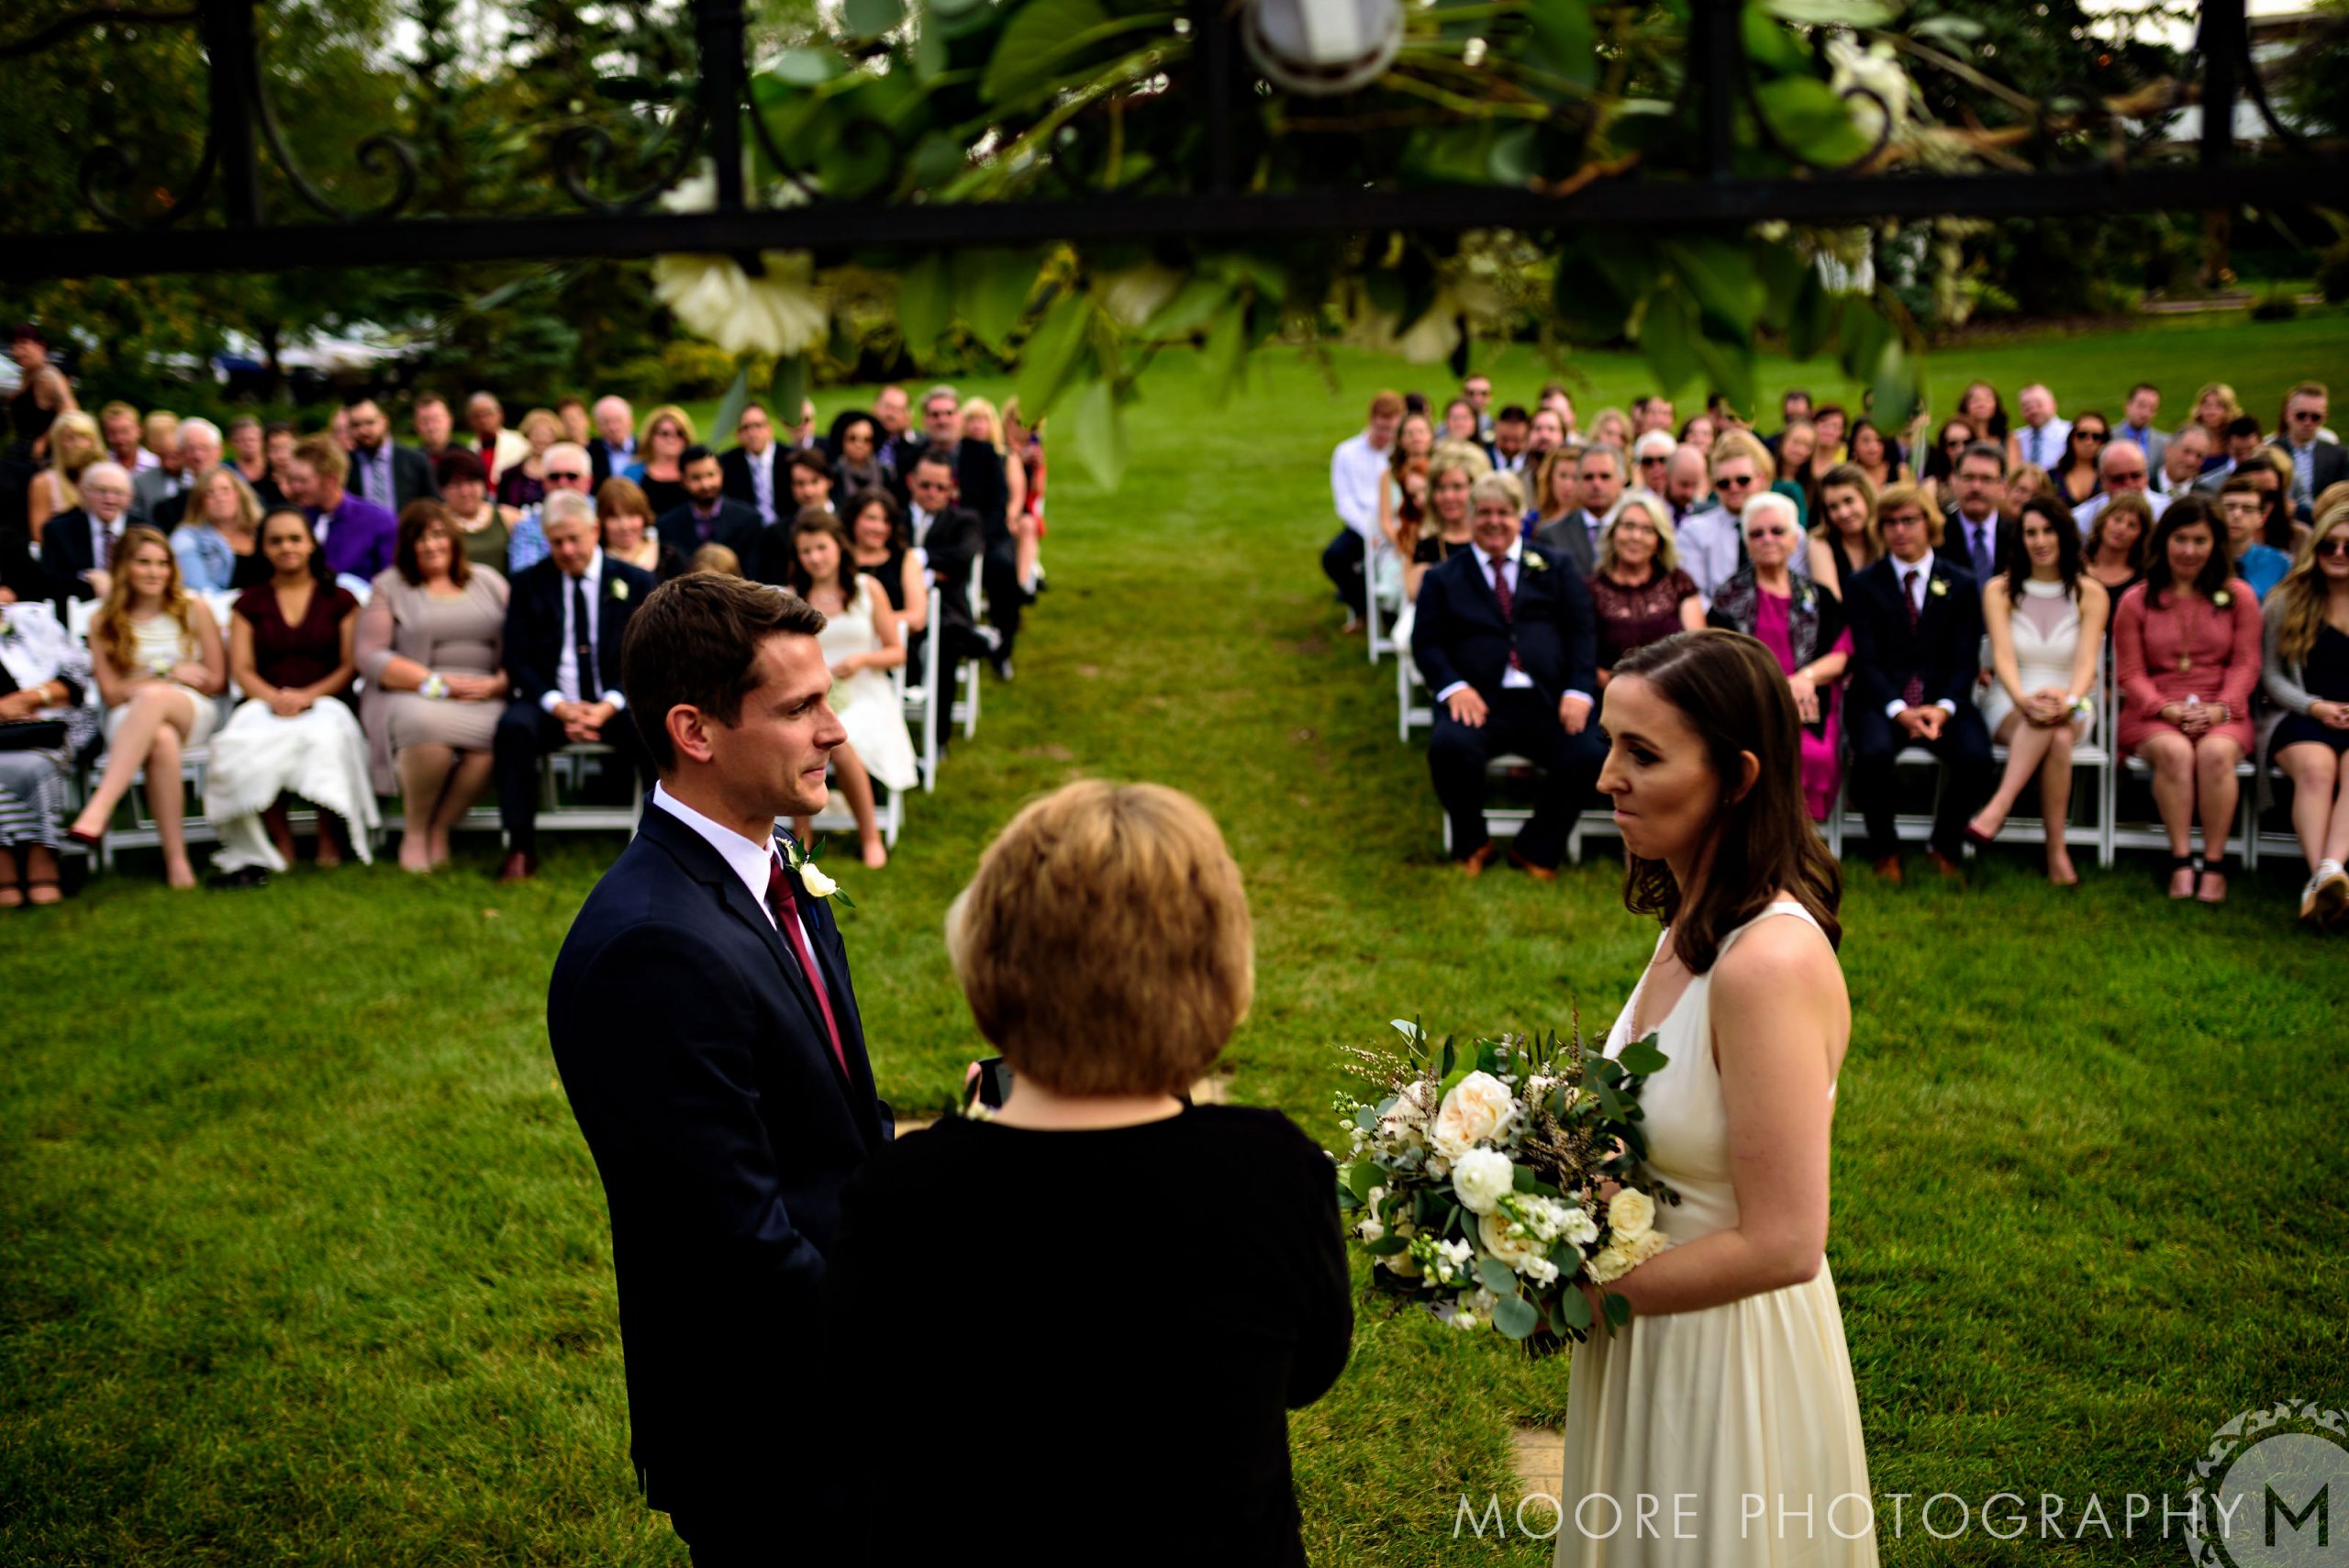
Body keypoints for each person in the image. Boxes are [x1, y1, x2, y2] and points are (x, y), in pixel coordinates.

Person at [826, 779, 1350, 1562]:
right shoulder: (1274, 1169)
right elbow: (1307, 1369)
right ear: (1217, 972)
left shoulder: (901, 1192)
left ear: (989, 957)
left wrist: (976, 1140)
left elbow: (865, 1394)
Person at [546, 570, 885, 1567]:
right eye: (799, 707)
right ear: (694, 730)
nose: (834, 730)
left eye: (826, 698)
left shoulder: (770, 860)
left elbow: (823, 1132)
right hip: (771, 1426)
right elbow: (734, 1243)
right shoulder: (651, 946)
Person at [1559, 628, 1872, 1568]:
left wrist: (1577, 1292)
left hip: (1726, 1363)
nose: (1606, 776)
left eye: (1642, 754)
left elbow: (1783, 1241)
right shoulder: (1689, 920)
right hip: (1650, 1339)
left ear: (1736, 776)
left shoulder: (1765, 961)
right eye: (1611, 741)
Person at [1412, 472, 1604, 881]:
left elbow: (1582, 633)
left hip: (1549, 699)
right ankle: (1472, 841)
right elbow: (1426, 644)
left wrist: (1578, 691)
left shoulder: (1556, 566)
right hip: (1480, 700)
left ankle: (1537, 847)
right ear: (1470, 516)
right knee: (1448, 749)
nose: (1494, 522)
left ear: (1520, 516)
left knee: (1589, 754)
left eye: (1503, 512)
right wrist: (1454, 687)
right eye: (1484, 513)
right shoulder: (1443, 578)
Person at [491, 492, 657, 881]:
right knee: (513, 730)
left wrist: (609, 704)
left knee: (655, 731)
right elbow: (517, 659)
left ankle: (659, 842)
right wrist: (557, 705)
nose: (566, 550)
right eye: (556, 541)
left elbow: (647, 655)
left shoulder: (634, 581)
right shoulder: (529, 584)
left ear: (595, 531)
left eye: (574, 539)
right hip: (551, 703)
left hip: (618, 701)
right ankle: (520, 846)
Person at [204, 508, 374, 885]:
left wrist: (308, 696)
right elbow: (242, 668)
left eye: (295, 538)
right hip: (265, 701)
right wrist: (273, 699)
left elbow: (350, 665)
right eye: (276, 541)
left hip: (328, 699)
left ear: (311, 544)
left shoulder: (341, 599)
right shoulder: (249, 604)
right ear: (263, 549)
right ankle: (280, 840)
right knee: (248, 743)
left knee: (322, 738)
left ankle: (329, 835)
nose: (287, 547)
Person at [2112, 496, 2264, 902]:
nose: (2189, 550)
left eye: (2200, 540)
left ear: (2216, 543)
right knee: (2176, 753)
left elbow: (2247, 664)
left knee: (2216, 755)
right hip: (2153, 711)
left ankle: (2213, 863)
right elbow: (2130, 673)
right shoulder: (2136, 600)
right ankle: (2180, 859)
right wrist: (2166, 708)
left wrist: (2220, 708)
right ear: (2163, 541)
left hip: (2223, 708)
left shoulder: (2240, 597)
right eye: (2180, 539)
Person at [1843, 483, 1993, 883]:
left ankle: (1944, 844)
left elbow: (1965, 658)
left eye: (1909, 520)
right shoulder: (1863, 584)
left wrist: (1943, 707)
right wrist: (1898, 711)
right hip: (1881, 698)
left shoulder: (1959, 583)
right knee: (1871, 753)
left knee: (1977, 756)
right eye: (1889, 522)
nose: (1899, 530)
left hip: (1943, 698)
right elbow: (1867, 658)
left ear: (1929, 523)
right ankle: (1884, 849)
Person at [61, 527, 227, 888]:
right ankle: (177, 861)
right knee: (161, 738)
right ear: (123, 568)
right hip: (130, 717)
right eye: (143, 563)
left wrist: (159, 683)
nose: (155, 572)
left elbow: (215, 681)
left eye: (162, 563)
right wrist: (164, 671)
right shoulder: (104, 619)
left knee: (154, 698)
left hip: (190, 709)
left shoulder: (192, 607)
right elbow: (112, 694)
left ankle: (99, 808)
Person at [1962, 495, 2110, 884]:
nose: (2040, 540)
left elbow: (2085, 664)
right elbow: (2004, 660)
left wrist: (2071, 699)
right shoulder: (1999, 590)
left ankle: (1998, 807)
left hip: (2072, 696)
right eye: (2030, 532)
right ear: (2019, 539)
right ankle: (2056, 852)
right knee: (2054, 737)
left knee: (2059, 731)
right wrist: (2023, 698)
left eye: (2048, 531)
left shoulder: (2091, 593)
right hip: (2010, 697)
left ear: (2064, 535)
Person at [358, 503, 511, 873]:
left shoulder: (488, 581)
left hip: (484, 693)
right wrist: (435, 684)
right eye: (420, 538)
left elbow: (522, 644)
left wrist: (498, 683)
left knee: (501, 738)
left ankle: (440, 827)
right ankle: (415, 831)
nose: (430, 545)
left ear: (453, 539)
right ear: (406, 546)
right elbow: (370, 655)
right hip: (414, 692)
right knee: (426, 729)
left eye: (438, 535)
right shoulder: (388, 586)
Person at [783, 508, 916, 869]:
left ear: (839, 547)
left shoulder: (867, 590)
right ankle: (801, 835)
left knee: (838, 742)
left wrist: (860, 661)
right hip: (813, 695)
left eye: (821, 548)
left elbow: (897, 651)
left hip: (865, 691)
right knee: (798, 739)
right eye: (806, 551)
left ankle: (869, 835)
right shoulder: (793, 598)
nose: (815, 558)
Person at [1709, 493, 1851, 821]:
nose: (1767, 540)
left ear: (1794, 539)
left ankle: (1801, 837)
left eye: (1777, 531)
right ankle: (1756, 830)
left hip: (1807, 704)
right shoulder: (1729, 599)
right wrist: (1776, 687)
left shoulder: (1818, 596)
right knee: (1746, 754)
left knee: (1812, 754)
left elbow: (1842, 653)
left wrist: (1805, 678)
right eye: (1757, 534)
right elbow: (1720, 659)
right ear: (1747, 542)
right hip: (1750, 702)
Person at [2263, 506, 2349, 922]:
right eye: (2330, 545)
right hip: (2299, 715)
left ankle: (2324, 879)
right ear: (2315, 548)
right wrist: (2314, 706)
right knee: (2317, 769)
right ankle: (2326, 877)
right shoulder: (2285, 601)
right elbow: (2270, 676)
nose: (2338, 553)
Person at [0, 597, 96, 907]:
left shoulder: (31, 618)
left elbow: (77, 675)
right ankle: (4, 867)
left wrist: (33, 697)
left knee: (35, 764)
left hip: (47, 727)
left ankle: (43, 858)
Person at [1587, 490, 1704, 682]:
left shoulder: (1678, 583)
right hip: (1612, 697)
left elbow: (1697, 650)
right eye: (1628, 526)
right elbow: (1583, 661)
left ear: (1659, 540)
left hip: (1672, 693)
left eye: (1648, 530)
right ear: (1613, 531)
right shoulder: (1592, 590)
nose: (1636, 536)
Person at [1323, 391, 1405, 630]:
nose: (1385, 436)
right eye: (1381, 428)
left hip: (1399, 525)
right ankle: (1363, 610)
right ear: (1371, 420)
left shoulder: (1401, 455)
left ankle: (1393, 610)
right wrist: (1370, 533)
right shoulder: (1346, 453)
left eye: (1391, 429)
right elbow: (1345, 502)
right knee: (1334, 557)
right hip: (1363, 526)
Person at [280, 436, 398, 584]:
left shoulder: (379, 521)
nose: (295, 487)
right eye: (292, 479)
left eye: (303, 481)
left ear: (331, 481)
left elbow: (392, 581)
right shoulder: (292, 521)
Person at [1682, 433, 1772, 606]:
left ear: (1761, 478)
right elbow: (1694, 596)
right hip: (1715, 627)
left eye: (1743, 480)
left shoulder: (1786, 530)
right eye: (1724, 483)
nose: (1734, 488)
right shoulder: (1694, 531)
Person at [40, 458, 138, 613]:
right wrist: (88, 580)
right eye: (102, 491)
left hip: (134, 611)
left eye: (118, 493)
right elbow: (50, 582)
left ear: (130, 497)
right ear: (84, 492)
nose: (110, 499)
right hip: (76, 614)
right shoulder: (59, 530)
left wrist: (114, 585)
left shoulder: (145, 530)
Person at [500, 439, 596, 575]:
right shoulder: (528, 526)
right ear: (544, 482)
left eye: (572, 476)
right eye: (554, 477)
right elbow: (525, 578)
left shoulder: (605, 514)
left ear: (589, 482)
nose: (563, 483)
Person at [170, 464, 265, 593]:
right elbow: (199, 590)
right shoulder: (186, 538)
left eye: (225, 490)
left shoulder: (261, 529)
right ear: (199, 502)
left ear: (239, 494)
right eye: (210, 493)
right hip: (221, 609)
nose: (219, 498)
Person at [1536, 445, 1626, 578]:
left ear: (1622, 481)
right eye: (1588, 477)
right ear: (1577, 482)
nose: (1596, 484)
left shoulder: (1637, 531)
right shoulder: (1552, 535)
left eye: (1605, 476)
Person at [345, 395, 439, 516]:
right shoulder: (346, 465)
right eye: (356, 425)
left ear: (384, 420)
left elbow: (434, 506)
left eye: (370, 422)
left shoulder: (415, 461)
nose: (363, 431)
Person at [2272, 382, 2345, 519]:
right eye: (2301, 415)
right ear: (2288, 414)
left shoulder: (2339, 455)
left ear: (2325, 418)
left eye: (2315, 417)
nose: (2308, 422)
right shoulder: (2272, 452)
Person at [1942, 439, 2011, 586]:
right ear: (1954, 481)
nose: (1976, 487)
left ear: (2002, 487)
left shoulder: (2018, 536)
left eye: (1986, 479)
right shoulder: (1937, 534)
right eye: (1968, 478)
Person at [2070, 435, 2168, 538]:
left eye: (2135, 476)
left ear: (2146, 475)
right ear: (2102, 480)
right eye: (2118, 479)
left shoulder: (2167, 512)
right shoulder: (2081, 521)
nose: (2129, 485)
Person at [1806, 463, 1878, 600]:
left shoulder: (1887, 538)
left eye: (1849, 501)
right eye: (1833, 507)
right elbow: (1833, 603)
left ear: (1866, 497)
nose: (1843, 513)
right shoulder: (1820, 543)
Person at [28, 410, 104, 540]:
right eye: (70, 438)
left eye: (84, 437)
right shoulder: (44, 482)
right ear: (58, 443)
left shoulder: (108, 477)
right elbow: (39, 534)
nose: (77, 445)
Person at [2216, 474, 2292, 601]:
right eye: (2229, 507)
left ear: (2262, 519)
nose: (2237, 515)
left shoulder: (2279, 564)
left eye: (2247, 509)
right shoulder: (2201, 559)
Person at [7, 325, 78, 462]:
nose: (17, 352)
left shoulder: (47, 376)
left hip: (43, 459)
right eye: (14, 346)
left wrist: (43, 442)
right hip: (23, 452)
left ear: (41, 346)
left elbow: (71, 413)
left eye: (23, 345)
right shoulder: (26, 374)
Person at [597, 476, 685, 584]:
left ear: (643, 516)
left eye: (631, 515)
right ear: (601, 521)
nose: (625, 526)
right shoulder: (595, 562)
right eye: (614, 517)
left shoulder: (670, 558)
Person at [435, 448, 508, 572]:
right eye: (455, 484)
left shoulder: (508, 518)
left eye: (472, 482)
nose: (465, 492)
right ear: (442, 490)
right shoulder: (436, 522)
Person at [624, 405, 696, 519]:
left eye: (679, 433)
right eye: (664, 434)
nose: (671, 439)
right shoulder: (633, 473)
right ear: (650, 437)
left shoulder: (695, 469)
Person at [720, 401, 784, 525]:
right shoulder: (727, 463)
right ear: (737, 434)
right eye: (745, 428)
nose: (752, 433)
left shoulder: (788, 458)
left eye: (758, 425)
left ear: (770, 428)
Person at [2083, 491, 2153, 598]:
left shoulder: (2142, 581)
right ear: (2104, 520)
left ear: (2141, 534)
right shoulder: (2075, 564)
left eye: (2132, 525)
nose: (2122, 528)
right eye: (2117, 519)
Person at [494, 407, 563, 512]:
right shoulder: (510, 473)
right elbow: (501, 508)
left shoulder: (563, 472)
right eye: (536, 434)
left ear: (555, 438)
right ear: (527, 435)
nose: (541, 439)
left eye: (546, 435)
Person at [823, 411, 887, 513]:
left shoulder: (886, 474)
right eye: (852, 439)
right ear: (841, 440)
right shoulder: (832, 475)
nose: (859, 445)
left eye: (867, 440)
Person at [465, 392, 531, 489]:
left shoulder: (519, 443)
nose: (483, 420)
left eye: (487, 414)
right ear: (470, 421)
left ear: (500, 414)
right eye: (477, 416)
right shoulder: (470, 449)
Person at [129, 411, 188, 519]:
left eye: (174, 456)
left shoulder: (200, 479)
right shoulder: (141, 483)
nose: (168, 464)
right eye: (161, 457)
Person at [1917, 416, 1976, 514]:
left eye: (1967, 442)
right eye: (1952, 444)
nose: (1961, 449)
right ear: (1944, 448)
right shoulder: (1934, 484)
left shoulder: (1987, 478)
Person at [2050, 410, 2108, 508]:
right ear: (2072, 437)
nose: (2089, 442)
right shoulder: (2052, 477)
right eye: (2082, 435)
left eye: (2096, 437)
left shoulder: (2111, 477)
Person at [2009, 383, 2071, 473]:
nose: (2034, 411)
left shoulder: (2072, 433)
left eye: (2039, 405)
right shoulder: (2015, 438)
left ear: (2054, 404)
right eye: (2027, 407)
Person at [1770, 418, 1817, 523]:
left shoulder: (1813, 487)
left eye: (1808, 446)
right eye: (1795, 442)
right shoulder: (1764, 476)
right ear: (1783, 441)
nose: (1800, 450)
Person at [1847, 417, 1909, 496]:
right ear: (1853, 445)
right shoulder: (1848, 477)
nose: (1873, 448)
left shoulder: (1900, 472)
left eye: (1879, 440)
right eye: (1866, 440)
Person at [2188, 383, 2242, 469]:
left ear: (2229, 410)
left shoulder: (2237, 439)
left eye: (2219, 406)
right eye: (2206, 405)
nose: (2211, 412)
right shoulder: (2190, 439)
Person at [2155, 421, 2213, 501]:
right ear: (2168, 449)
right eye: (2186, 451)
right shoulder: (2144, 487)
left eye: (2199, 456)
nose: (2191, 461)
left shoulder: (2207, 498)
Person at [586, 395, 637, 484]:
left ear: (631, 422)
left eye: (618, 420)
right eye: (606, 422)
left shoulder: (645, 449)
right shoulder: (588, 453)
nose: (613, 427)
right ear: (597, 427)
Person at [2116, 382, 2166, 471]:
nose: (2146, 413)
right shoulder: (2108, 437)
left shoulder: (2165, 444)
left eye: (2152, 408)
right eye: (2141, 406)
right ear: (2127, 405)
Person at [1958, 379, 2009, 445]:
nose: (1981, 404)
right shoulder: (1958, 439)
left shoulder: (2007, 438)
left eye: (1987, 400)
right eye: (1975, 400)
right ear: (1965, 406)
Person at [411, 395, 457, 465]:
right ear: (415, 425)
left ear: (450, 420)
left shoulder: (467, 459)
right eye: (424, 421)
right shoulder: (409, 464)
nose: (431, 427)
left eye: (436, 419)